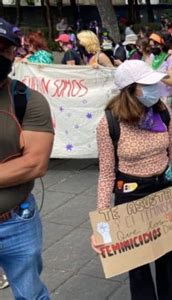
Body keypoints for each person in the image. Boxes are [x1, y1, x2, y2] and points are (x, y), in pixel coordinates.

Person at [91, 60, 172, 300]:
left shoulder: (163, 112)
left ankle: (170, 294)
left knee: (166, 249)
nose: (156, 88)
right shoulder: (108, 124)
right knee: (136, 259)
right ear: (130, 90)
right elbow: (107, 174)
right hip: (131, 192)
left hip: (163, 187)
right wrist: (102, 224)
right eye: (147, 85)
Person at [0, 17, 53, 299]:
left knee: (31, 294)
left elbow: (34, 163)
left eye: (3, 48)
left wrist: (21, 165)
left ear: (12, 54)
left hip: (16, 222)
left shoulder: (27, 100)